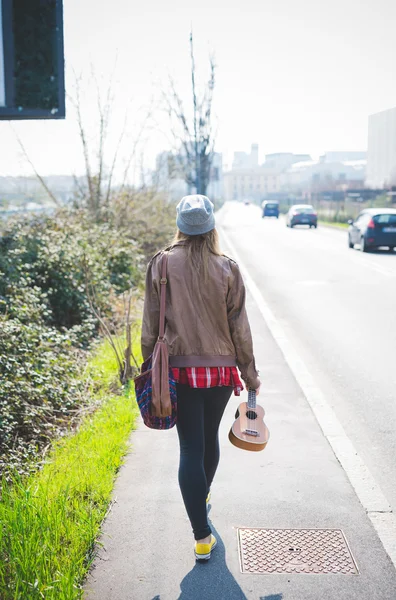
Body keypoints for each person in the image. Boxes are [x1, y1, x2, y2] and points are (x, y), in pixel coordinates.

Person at [141, 194, 260, 561]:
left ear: (179, 225)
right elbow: (239, 326)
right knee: (208, 440)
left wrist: (149, 366)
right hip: (222, 371)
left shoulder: (161, 264)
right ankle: (202, 495)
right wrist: (249, 374)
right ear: (210, 228)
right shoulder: (227, 267)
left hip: (178, 369)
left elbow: (150, 322)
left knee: (190, 447)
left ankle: (201, 535)